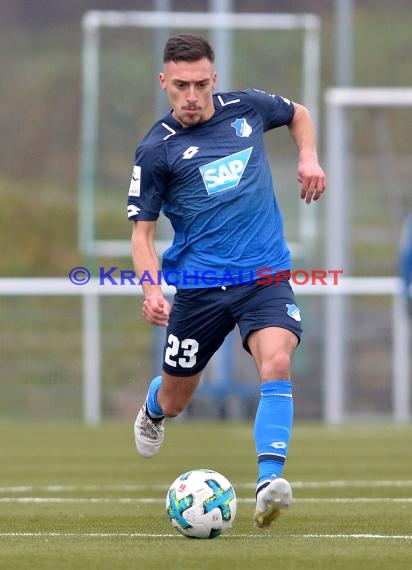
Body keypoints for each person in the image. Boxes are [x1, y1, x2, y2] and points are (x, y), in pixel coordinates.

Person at [127, 34, 326, 529]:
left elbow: (299, 113)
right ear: (164, 83)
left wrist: (308, 157)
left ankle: (267, 483)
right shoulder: (157, 150)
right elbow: (142, 236)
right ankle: (154, 406)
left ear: (213, 78)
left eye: (199, 84)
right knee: (177, 400)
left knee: (277, 361)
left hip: (264, 276)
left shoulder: (248, 109)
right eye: (180, 86)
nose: (191, 96)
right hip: (198, 287)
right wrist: (153, 290)